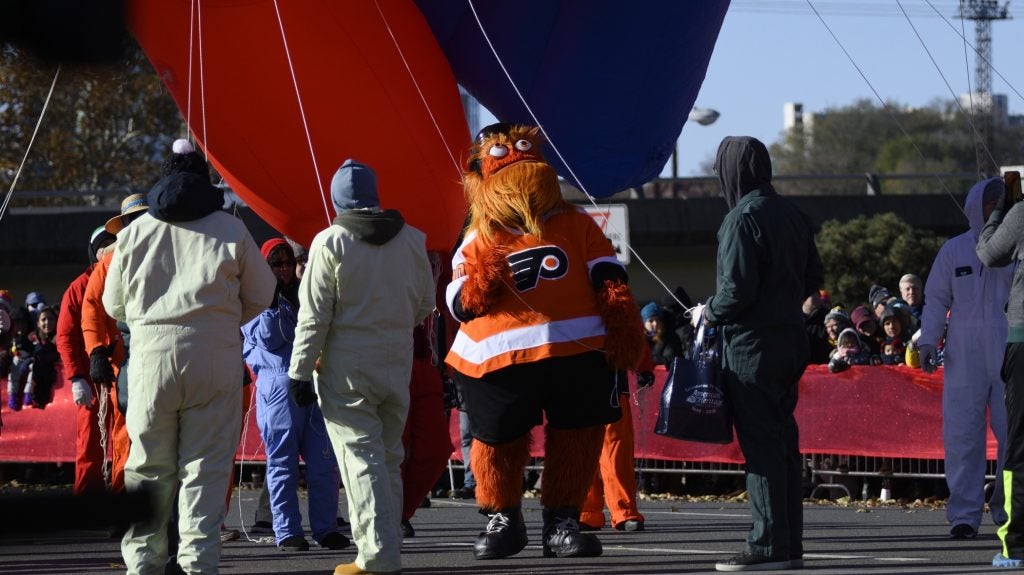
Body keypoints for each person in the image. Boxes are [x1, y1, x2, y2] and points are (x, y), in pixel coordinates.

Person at [446, 123, 645, 562]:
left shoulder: (577, 222)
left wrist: (622, 321)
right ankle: (504, 516)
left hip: (577, 349)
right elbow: (458, 300)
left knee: (577, 435)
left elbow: (608, 276)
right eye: (503, 156)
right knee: (496, 440)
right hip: (498, 356)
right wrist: (478, 284)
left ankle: (562, 520)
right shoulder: (480, 231)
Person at [103, 171, 275, 574]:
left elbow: (114, 305)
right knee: (206, 468)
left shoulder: (134, 233)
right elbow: (262, 294)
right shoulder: (231, 228)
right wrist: (221, 320)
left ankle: (143, 564)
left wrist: (148, 323)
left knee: (146, 467)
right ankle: (198, 563)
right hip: (214, 356)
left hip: (151, 359)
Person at [288, 159, 434, 575]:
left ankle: (375, 557)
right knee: (388, 457)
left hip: (346, 363)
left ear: (338, 199)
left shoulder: (331, 242)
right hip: (396, 358)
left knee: (360, 458)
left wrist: (299, 371)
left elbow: (314, 315)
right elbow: (425, 303)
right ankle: (384, 549)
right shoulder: (411, 240)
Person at [694, 136, 823, 572]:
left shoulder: (740, 218)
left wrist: (707, 311)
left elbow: (735, 292)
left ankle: (767, 545)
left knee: (763, 447)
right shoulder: (794, 214)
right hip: (790, 338)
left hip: (752, 346)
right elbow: (813, 277)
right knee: (784, 442)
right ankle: (789, 543)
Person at [917, 177, 1012, 545]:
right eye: (988, 203)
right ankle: (964, 516)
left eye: (999, 203)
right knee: (961, 438)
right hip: (963, 359)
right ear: (975, 207)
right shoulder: (954, 250)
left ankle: (1009, 511)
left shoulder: (1017, 247)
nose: (993, 209)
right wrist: (928, 341)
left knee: (1014, 437)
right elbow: (936, 299)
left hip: (1009, 354)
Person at [242, 238, 348, 552]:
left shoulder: (304, 296)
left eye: (288, 263)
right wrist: (273, 304)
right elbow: (269, 339)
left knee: (323, 463)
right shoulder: (252, 298)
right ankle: (287, 531)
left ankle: (326, 528)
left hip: (312, 384)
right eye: (277, 264)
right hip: (277, 388)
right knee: (282, 463)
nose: (285, 269)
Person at [976, 174, 1024, 568]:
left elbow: (989, 254)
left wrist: (1001, 211)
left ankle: (1017, 544)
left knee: (1021, 444)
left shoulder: (1022, 212)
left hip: (1023, 340)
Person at [56, 226, 117, 494]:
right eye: (105, 244)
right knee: (91, 442)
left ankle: (122, 497)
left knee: (126, 441)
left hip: (121, 372)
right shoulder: (78, 288)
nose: (111, 248)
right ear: (94, 252)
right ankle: (86, 499)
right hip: (92, 378)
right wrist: (76, 377)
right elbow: (65, 336)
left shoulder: (125, 276)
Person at [641, 302, 683, 366]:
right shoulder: (638, 338)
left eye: (658, 320)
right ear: (644, 323)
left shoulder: (670, 337)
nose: (655, 324)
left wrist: (648, 359)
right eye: (651, 321)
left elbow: (670, 359)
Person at [803, 291, 832, 365]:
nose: (816, 298)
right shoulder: (793, 320)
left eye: (817, 296)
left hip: (823, 371)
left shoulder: (829, 319)